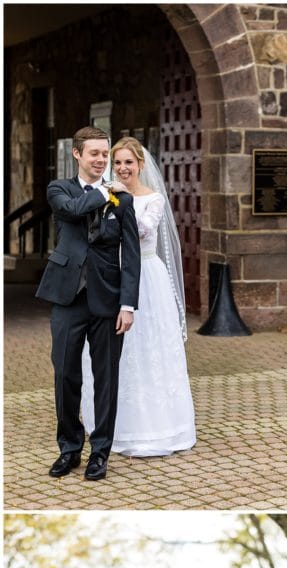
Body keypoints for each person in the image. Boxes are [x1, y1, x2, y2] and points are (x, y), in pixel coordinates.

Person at [36, 126, 140, 481]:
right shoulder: (59, 190)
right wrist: (104, 192)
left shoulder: (124, 200)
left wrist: (128, 305)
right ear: (77, 154)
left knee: (106, 378)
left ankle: (100, 452)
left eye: (104, 153)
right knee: (65, 374)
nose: (100, 160)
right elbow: (75, 209)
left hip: (108, 300)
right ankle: (69, 448)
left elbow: (132, 256)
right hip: (67, 298)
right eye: (93, 153)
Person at [81, 136, 196, 456]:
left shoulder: (153, 199)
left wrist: (121, 201)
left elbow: (142, 231)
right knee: (110, 352)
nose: (122, 168)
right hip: (109, 279)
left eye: (128, 162)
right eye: (117, 162)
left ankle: (155, 426)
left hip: (146, 278)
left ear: (140, 165)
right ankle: (109, 424)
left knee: (148, 350)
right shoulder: (102, 196)